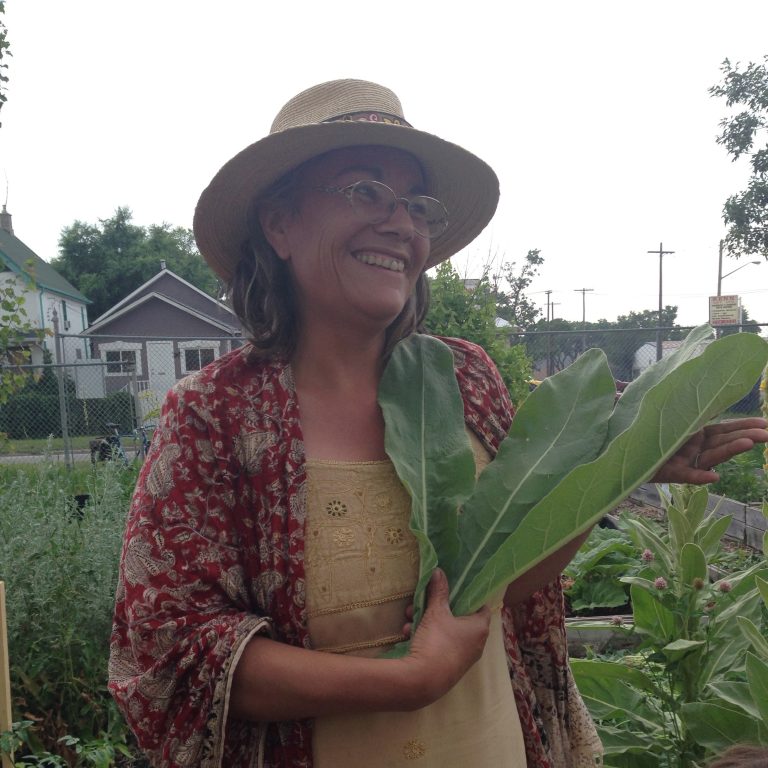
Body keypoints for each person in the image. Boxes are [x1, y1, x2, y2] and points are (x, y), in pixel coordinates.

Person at [108, 79, 768, 768]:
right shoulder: (215, 413)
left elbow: (506, 578)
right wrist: (409, 679)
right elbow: (172, 648)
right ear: (280, 224)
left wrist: (624, 465)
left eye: (416, 204)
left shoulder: (466, 378)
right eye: (364, 190)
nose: (400, 223)